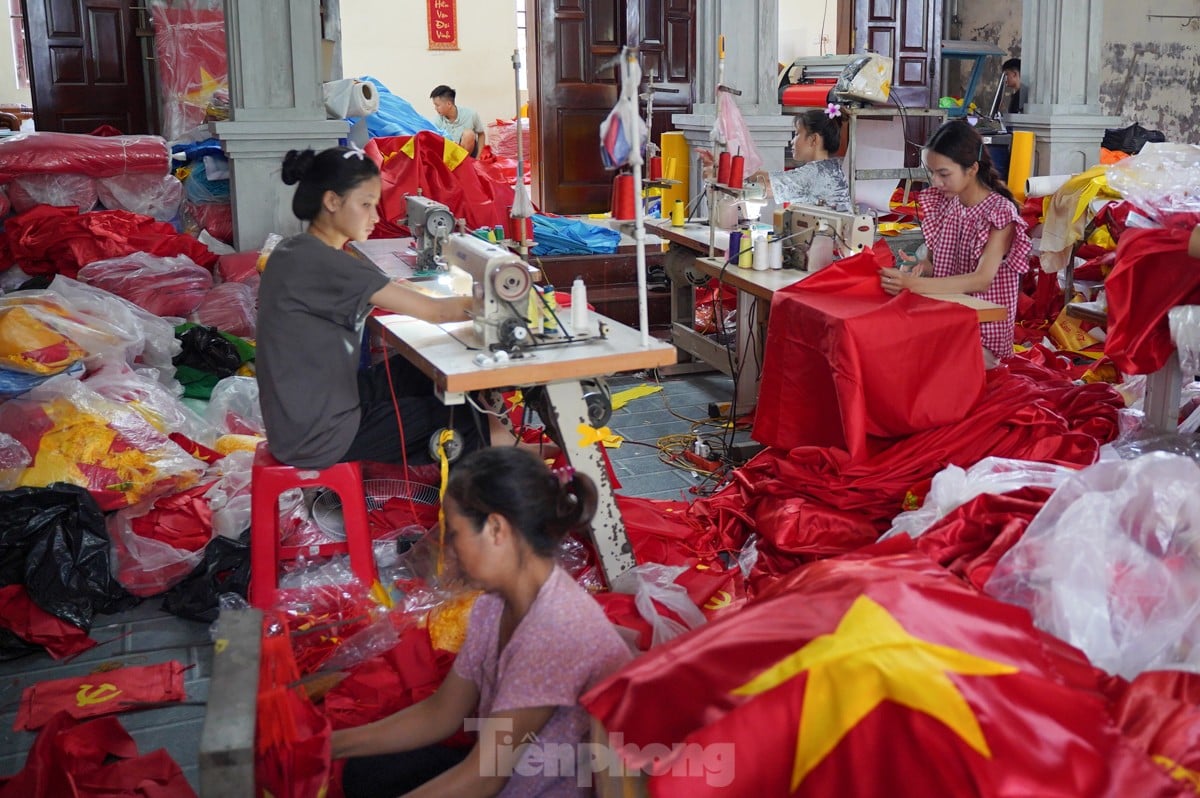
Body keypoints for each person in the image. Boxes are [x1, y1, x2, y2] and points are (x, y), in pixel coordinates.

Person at [332, 447, 634, 798]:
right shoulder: (495, 604)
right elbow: (442, 713)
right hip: (499, 773)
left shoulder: (556, 630)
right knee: (366, 772)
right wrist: (330, 745)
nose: (451, 552)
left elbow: (483, 778)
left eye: (456, 535)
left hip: (525, 788)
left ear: (495, 530)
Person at [257, 146, 485, 468]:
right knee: (465, 416)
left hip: (300, 412)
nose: (376, 218)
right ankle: (466, 513)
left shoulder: (293, 250)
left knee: (420, 372)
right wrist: (499, 301)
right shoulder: (327, 263)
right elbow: (437, 312)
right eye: (365, 205)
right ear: (332, 201)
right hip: (320, 434)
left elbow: (393, 291)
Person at [878, 120, 1032, 366]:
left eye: (943, 174)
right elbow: (932, 263)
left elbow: (980, 280)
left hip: (981, 336)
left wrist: (911, 284)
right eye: (931, 172)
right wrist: (921, 267)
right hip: (946, 320)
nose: (935, 182)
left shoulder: (999, 213)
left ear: (971, 169)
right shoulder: (946, 203)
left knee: (912, 361)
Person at [698, 108, 852, 211]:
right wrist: (723, 167)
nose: (792, 141)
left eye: (797, 134)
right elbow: (767, 177)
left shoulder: (815, 174)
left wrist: (720, 176)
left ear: (813, 140)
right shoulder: (830, 168)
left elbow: (761, 188)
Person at [430, 85, 486, 157]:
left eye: (437, 105)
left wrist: (478, 157)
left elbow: (481, 134)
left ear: (449, 104)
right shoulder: (437, 121)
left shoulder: (471, 114)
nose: (435, 108)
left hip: (468, 155)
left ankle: (465, 164)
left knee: (468, 134)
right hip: (449, 157)